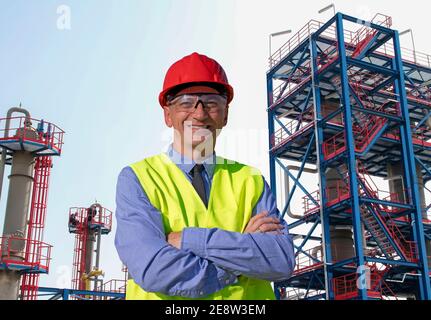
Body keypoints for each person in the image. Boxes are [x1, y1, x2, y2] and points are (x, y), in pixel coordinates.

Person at [115, 52, 295, 300]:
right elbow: (154, 269)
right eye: (186, 103)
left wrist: (190, 240)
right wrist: (243, 258)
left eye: (211, 102)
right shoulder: (138, 178)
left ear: (225, 114)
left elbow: (281, 259)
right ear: (168, 115)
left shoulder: (250, 180)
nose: (199, 114)